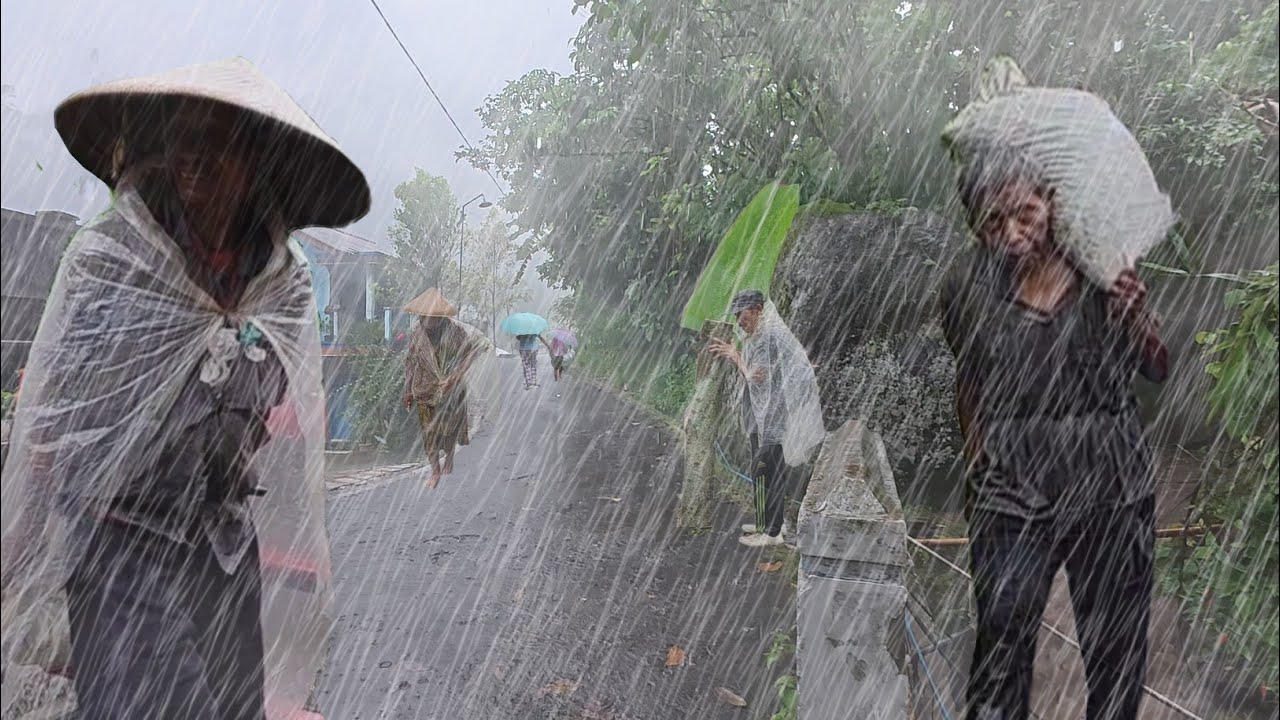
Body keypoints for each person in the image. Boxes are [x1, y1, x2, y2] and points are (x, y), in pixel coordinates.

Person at [0, 57, 369, 720]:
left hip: (219, 542)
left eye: (215, 140)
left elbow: (289, 413)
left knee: (230, 706)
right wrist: (24, 564)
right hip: (118, 538)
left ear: (254, 159)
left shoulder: (279, 282)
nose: (193, 157)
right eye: (181, 138)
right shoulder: (110, 259)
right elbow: (50, 416)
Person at [939, 149, 1168, 720]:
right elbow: (968, 379)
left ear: (1050, 202)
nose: (1012, 234)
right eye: (992, 222)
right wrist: (978, 472)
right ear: (974, 225)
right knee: (1000, 651)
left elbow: (1159, 368)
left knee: (1116, 654)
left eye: (1024, 213)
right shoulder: (966, 284)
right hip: (1012, 483)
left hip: (1110, 480)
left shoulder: (1101, 264)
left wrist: (1136, 315)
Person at [709, 289, 824, 547]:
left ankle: (771, 533)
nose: (739, 320)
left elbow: (756, 377)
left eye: (743, 313)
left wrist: (734, 355)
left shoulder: (771, 334)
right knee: (766, 470)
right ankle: (769, 523)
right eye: (737, 315)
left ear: (758, 309)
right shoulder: (760, 335)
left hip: (771, 417)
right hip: (763, 415)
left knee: (767, 470)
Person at [402, 289, 490, 488]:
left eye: (434, 318)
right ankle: (435, 471)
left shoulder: (456, 332)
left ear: (441, 318)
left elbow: (471, 354)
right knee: (428, 432)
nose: (430, 323)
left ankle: (449, 456)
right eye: (426, 318)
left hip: (453, 390)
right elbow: (410, 362)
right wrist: (407, 390)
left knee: (450, 430)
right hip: (425, 389)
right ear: (421, 317)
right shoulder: (416, 333)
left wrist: (454, 377)